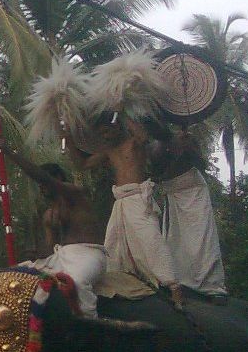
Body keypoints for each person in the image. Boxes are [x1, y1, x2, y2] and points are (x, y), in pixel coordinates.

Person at [67, 113, 182, 305]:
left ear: (117, 127)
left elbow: (143, 137)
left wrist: (121, 111)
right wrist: (68, 140)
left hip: (138, 199)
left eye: (107, 131)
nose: (105, 136)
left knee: (151, 240)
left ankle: (174, 288)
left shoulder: (134, 142)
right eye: (101, 134)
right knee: (113, 246)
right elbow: (83, 165)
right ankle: (124, 284)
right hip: (121, 202)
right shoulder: (108, 152)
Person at [1, 140, 107, 316]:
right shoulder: (49, 215)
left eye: (45, 184)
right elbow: (49, 249)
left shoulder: (75, 195)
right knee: (18, 274)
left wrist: (10, 153)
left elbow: (43, 178)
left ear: (57, 179)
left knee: (77, 282)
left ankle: (90, 323)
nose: (42, 188)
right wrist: (36, 255)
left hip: (88, 254)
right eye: (40, 186)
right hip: (60, 256)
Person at [154, 126, 227, 296]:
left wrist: (188, 147)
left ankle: (209, 283)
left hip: (193, 190)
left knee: (201, 237)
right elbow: (157, 174)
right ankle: (178, 279)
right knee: (175, 238)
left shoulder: (187, 139)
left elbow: (201, 163)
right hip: (174, 192)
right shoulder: (154, 146)